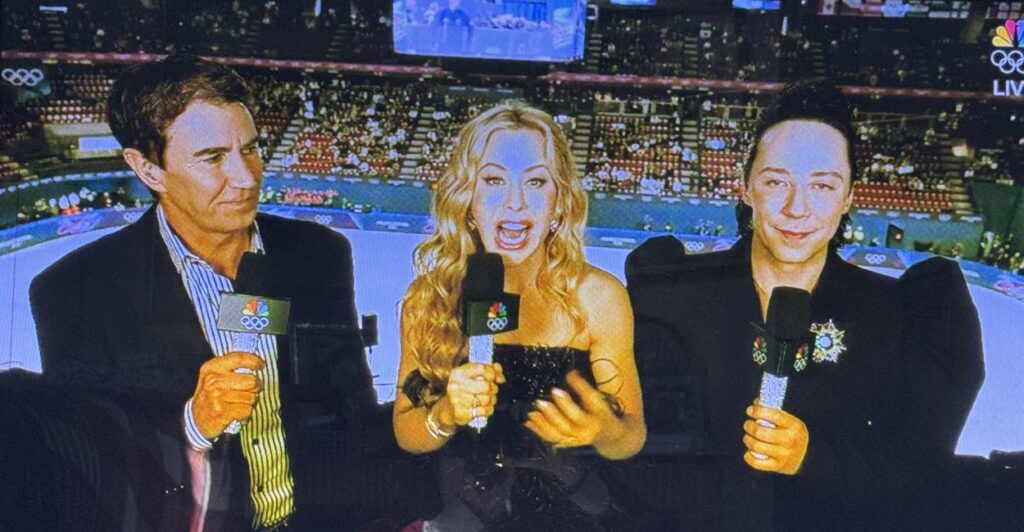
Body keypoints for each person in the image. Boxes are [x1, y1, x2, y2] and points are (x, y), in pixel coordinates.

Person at [30, 54, 376, 530]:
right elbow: (91, 472)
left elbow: (351, 407)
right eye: (213, 157)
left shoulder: (319, 253)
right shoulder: (74, 292)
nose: (246, 177)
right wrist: (193, 425)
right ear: (148, 168)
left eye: (251, 149)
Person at [625, 80, 984, 530]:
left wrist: (813, 458)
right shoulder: (670, 291)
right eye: (777, 181)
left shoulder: (900, 314)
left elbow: (918, 475)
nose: (798, 208)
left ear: (849, 196)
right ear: (746, 187)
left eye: (823, 186)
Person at [394, 103, 646, 530]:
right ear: (467, 198)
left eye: (535, 182)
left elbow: (632, 435)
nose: (515, 202)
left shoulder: (599, 297)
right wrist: (445, 414)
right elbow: (407, 432)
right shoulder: (428, 298)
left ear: (559, 201)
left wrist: (605, 431)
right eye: (494, 180)